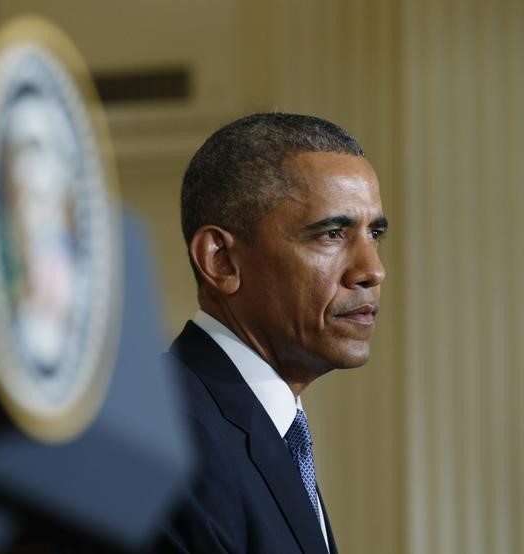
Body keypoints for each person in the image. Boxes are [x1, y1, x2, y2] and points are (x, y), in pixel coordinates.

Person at [157, 113, 387, 553]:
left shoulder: (269, 428)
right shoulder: (173, 441)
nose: (372, 270)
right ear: (221, 261)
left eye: (374, 233)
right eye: (333, 234)